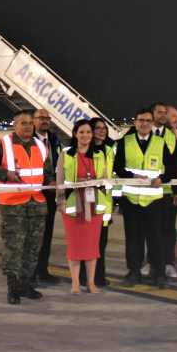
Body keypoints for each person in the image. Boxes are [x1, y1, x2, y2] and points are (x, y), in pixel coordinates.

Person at [0, 109, 53, 304]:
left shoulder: (40, 147)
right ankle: (13, 288)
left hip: (37, 204)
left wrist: (51, 182)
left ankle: (26, 285)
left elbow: (46, 172)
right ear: (15, 125)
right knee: (14, 248)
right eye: (23, 123)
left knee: (33, 248)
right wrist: (5, 174)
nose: (27, 126)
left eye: (30, 123)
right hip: (13, 205)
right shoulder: (5, 144)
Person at [114, 106, 177, 288]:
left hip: (154, 200)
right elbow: (118, 167)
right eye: (141, 120)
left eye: (147, 121)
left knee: (155, 239)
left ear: (152, 124)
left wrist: (162, 179)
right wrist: (131, 177)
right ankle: (133, 272)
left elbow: (173, 168)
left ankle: (158, 273)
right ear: (135, 122)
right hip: (132, 199)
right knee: (133, 239)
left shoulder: (161, 143)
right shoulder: (124, 142)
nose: (144, 124)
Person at [59, 120, 108, 295]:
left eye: (88, 132)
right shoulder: (66, 154)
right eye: (81, 132)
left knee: (91, 247)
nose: (85, 135)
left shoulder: (99, 155)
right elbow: (59, 181)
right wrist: (61, 202)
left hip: (94, 205)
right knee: (74, 246)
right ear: (75, 134)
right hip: (73, 205)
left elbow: (104, 179)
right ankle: (75, 283)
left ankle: (91, 283)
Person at [140, 102, 177, 280]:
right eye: (160, 112)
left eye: (165, 112)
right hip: (149, 190)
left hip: (166, 190)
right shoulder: (142, 134)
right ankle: (151, 261)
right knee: (151, 228)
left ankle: (168, 263)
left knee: (168, 229)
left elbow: (175, 166)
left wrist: (176, 191)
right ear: (152, 114)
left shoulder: (171, 136)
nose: (163, 115)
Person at [79, 117, 115, 287]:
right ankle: (84, 277)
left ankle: (98, 276)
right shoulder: (84, 150)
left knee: (101, 244)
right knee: (86, 242)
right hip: (87, 202)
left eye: (104, 128)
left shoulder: (109, 150)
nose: (102, 131)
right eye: (98, 128)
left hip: (104, 204)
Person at [33, 108, 64, 286]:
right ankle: (31, 274)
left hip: (51, 193)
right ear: (34, 120)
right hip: (36, 192)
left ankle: (42, 270)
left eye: (46, 118)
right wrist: (48, 180)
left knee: (47, 235)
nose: (44, 120)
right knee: (34, 236)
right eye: (40, 118)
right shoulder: (29, 140)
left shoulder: (54, 139)